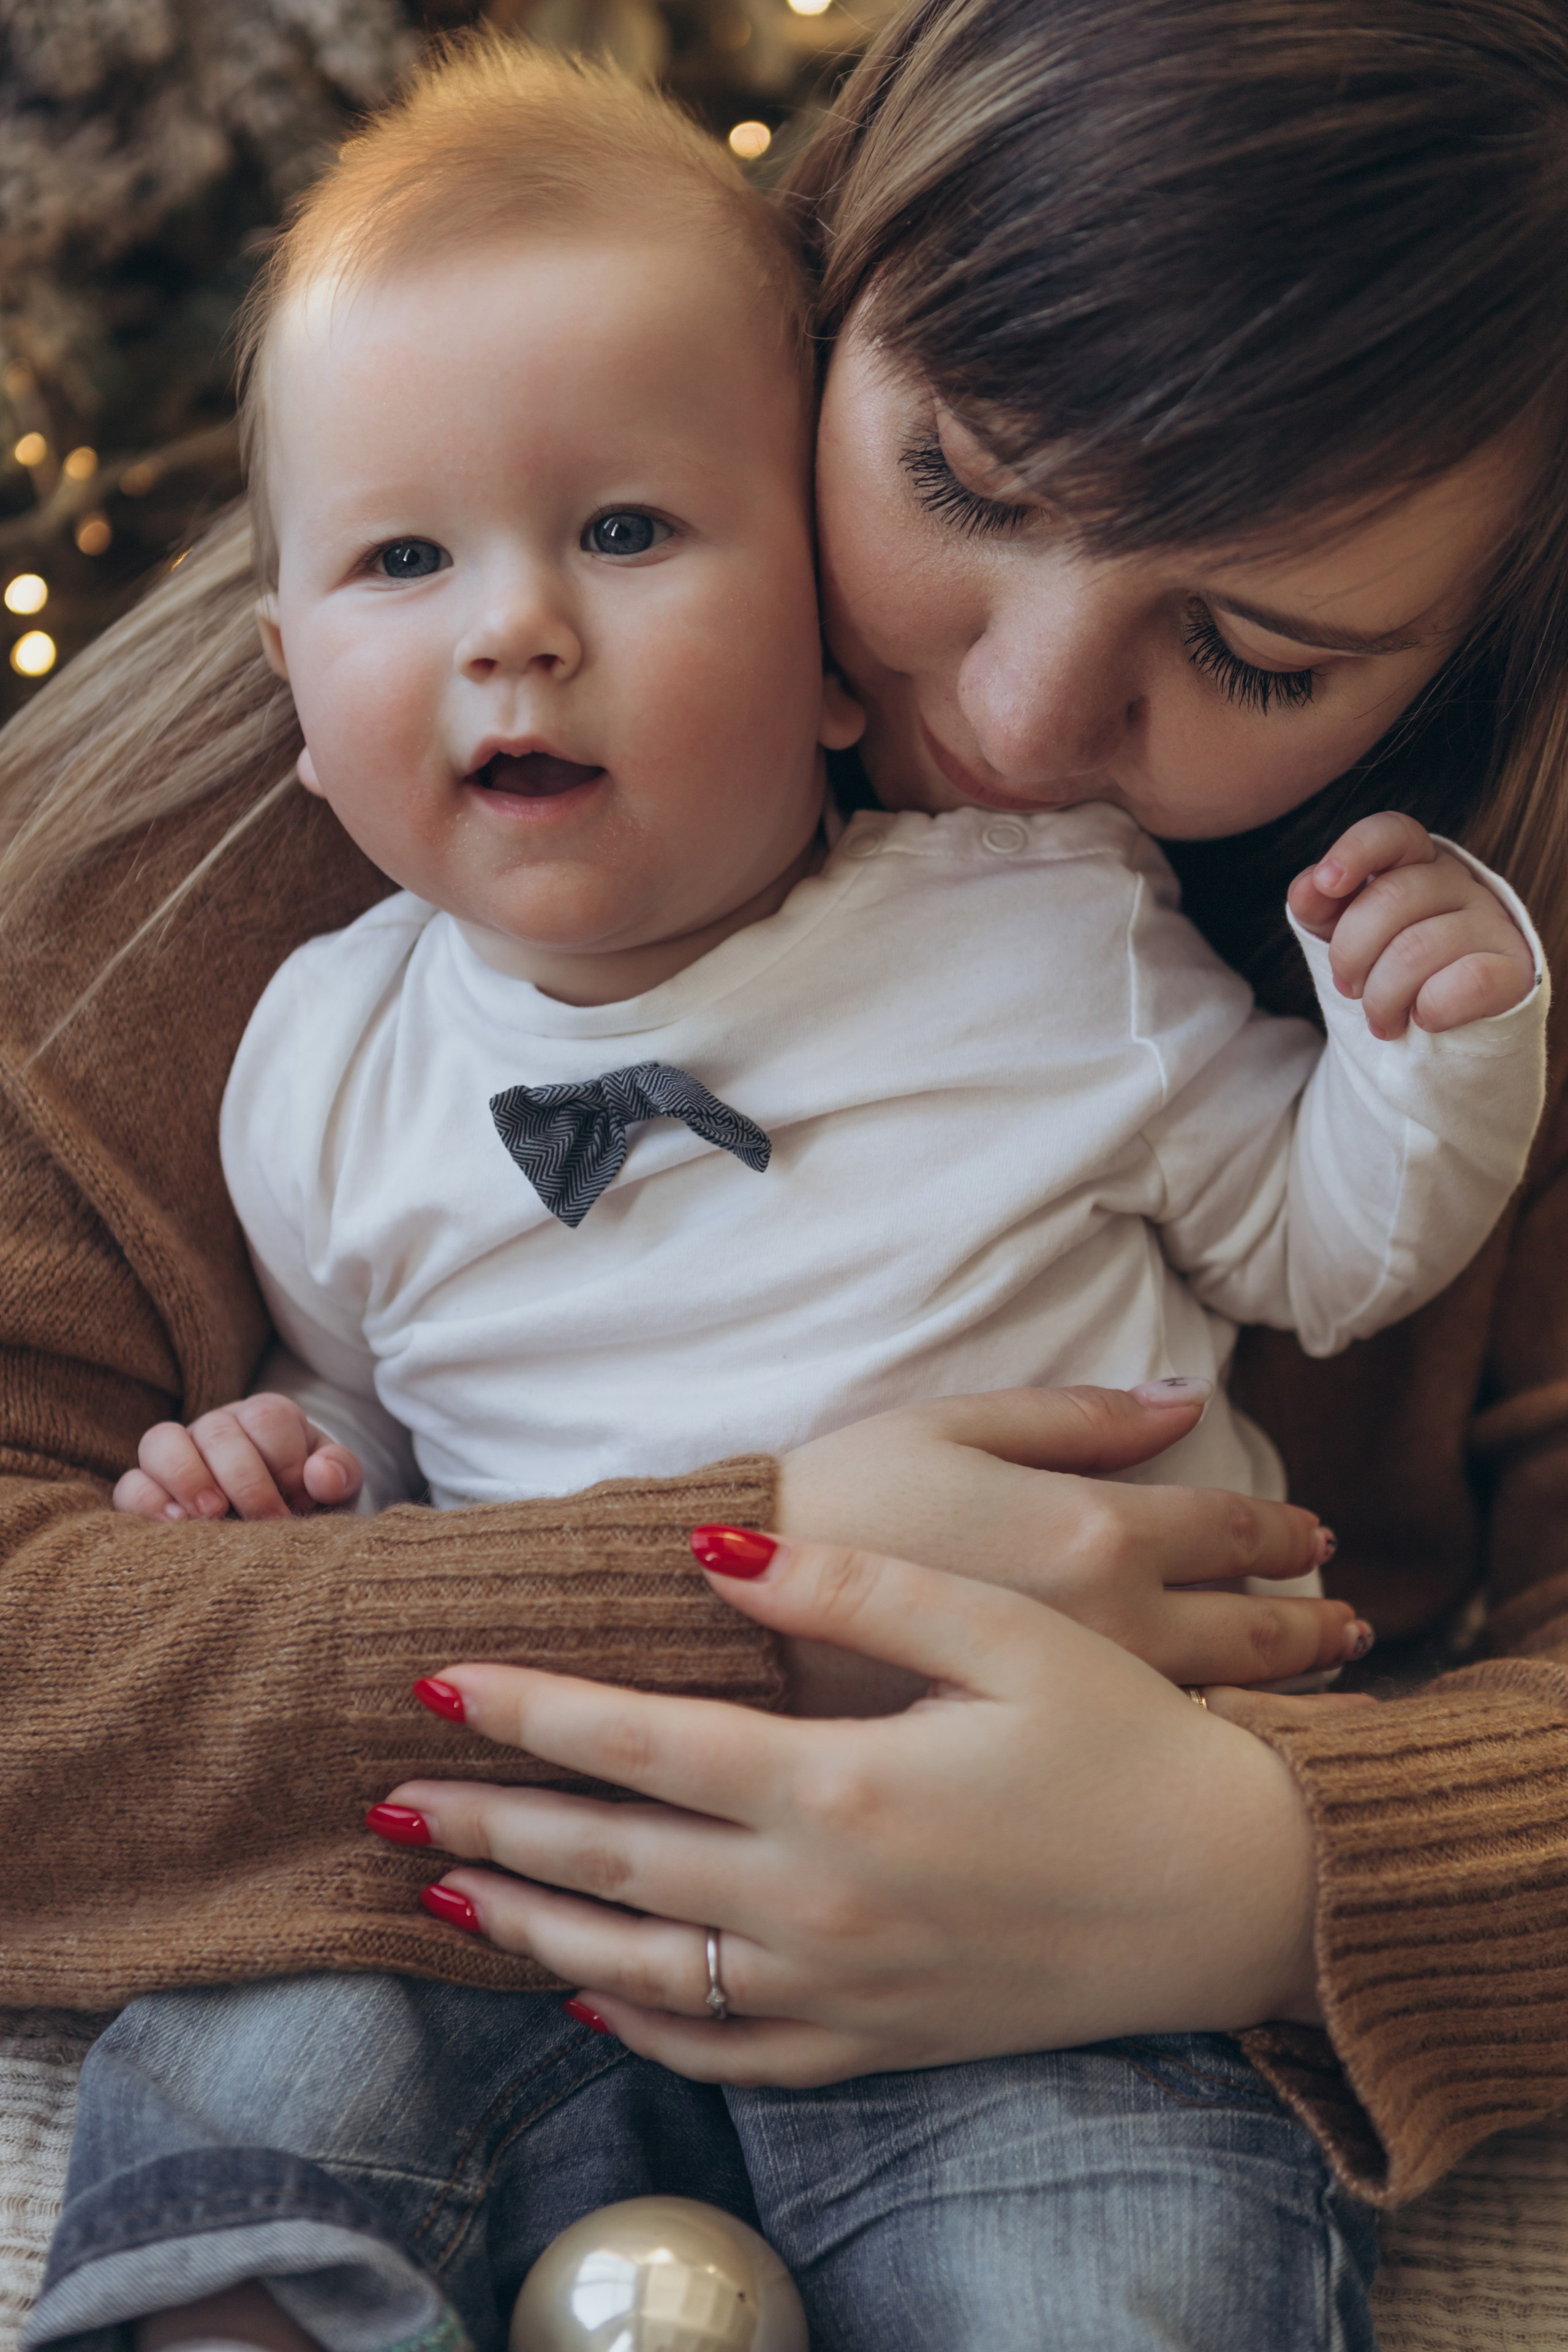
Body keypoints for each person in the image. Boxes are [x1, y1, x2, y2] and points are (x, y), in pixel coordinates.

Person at [0, 0, 1565, 2343]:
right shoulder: (300, 880)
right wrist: (689, 1589)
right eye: (963, 482)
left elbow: (1332, 1229)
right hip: (481, 1904)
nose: (1020, 718)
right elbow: (334, 1405)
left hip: (1069, 1981)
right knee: (251, 2126)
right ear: (841, 268)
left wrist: (1272, 1873)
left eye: (1254, 653)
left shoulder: (1108, 951)